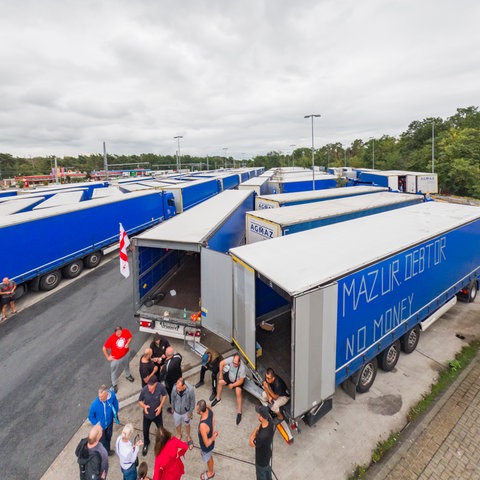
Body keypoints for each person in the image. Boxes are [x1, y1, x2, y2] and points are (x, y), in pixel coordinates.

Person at [211, 354, 246, 425]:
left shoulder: (242, 368)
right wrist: (221, 374)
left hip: (237, 381)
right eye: (233, 363)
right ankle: (218, 399)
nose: (234, 364)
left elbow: (241, 381)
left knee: (238, 391)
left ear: (239, 363)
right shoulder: (232, 359)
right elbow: (221, 363)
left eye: (236, 364)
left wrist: (233, 385)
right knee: (220, 382)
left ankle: (239, 412)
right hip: (230, 376)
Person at [138, 376, 167, 456]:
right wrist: (144, 406)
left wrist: (160, 407)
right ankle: (146, 443)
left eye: (151, 386)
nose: (149, 387)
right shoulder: (144, 389)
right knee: (145, 431)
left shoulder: (160, 387)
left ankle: (162, 444)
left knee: (161, 430)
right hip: (147, 415)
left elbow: (164, 395)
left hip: (157, 414)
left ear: (155, 384)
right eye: (148, 385)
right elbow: (139, 401)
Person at [88, 384, 119, 456]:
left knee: (108, 437)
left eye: (102, 396)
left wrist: (115, 412)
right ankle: (102, 454)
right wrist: (97, 425)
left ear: (107, 394)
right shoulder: (95, 404)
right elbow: (90, 416)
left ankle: (107, 451)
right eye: (99, 396)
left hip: (109, 423)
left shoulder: (112, 395)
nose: (100, 398)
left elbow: (115, 403)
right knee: (102, 441)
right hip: (100, 427)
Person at [103, 325, 135, 393]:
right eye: (118, 333)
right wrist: (108, 357)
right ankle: (114, 384)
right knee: (114, 371)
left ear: (122, 330)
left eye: (120, 332)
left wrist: (128, 343)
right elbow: (104, 348)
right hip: (116, 358)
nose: (119, 334)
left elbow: (130, 337)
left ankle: (128, 375)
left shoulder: (125, 331)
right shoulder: (111, 338)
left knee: (127, 365)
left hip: (126, 354)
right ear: (115, 332)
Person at [249, 405, 274, 480]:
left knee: (261, 475)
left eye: (258, 414)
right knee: (267, 470)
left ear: (261, 417)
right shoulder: (271, 423)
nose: (258, 415)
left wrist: (255, 430)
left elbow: (251, 443)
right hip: (267, 455)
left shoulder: (261, 437)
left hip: (261, 461)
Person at [171, 377, 195, 449]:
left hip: (186, 412)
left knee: (187, 424)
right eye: (177, 387)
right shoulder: (175, 388)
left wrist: (190, 412)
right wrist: (173, 408)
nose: (177, 389)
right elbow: (172, 399)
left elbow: (192, 402)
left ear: (184, 385)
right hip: (177, 411)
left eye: (179, 388)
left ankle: (188, 437)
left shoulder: (190, 390)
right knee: (177, 424)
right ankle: (179, 434)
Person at [196, 399, 218, 480]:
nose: (196, 410)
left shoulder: (203, 426)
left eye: (197, 410)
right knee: (209, 456)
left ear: (201, 412)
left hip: (207, 446)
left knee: (209, 459)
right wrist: (212, 432)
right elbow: (213, 420)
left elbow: (207, 444)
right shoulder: (209, 409)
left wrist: (212, 437)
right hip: (210, 437)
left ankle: (211, 473)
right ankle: (210, 471)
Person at [160, 346, 182, 413]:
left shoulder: (166, 367)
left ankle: (173, 409)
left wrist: (161, 369)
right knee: (179, 393)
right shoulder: (178, 357)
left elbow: (162, 376)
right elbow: (179, 356)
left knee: (172, 396)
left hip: (170, 384)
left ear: (166, 354)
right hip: (179, 380)